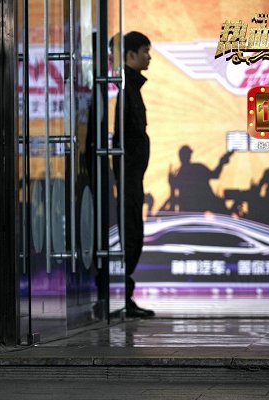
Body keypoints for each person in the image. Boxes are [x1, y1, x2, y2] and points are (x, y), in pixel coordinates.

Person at [112, 31, 155, 318]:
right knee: (131, 237)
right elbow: (125, 139)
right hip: (128, 179)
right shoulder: (126, 90)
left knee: (134, 236)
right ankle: (120, 297)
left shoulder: (131, 88)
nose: (148, 56)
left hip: (132, 178)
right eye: (144, 51)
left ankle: (123, 296)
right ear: (130, 55)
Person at [168, 145, 233, 214]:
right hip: (206, 202)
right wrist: (222, 162)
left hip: (189, 209)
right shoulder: (198, 168)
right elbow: (215, 175)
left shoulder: (179, 175)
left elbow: (173, 198)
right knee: (225, 213)